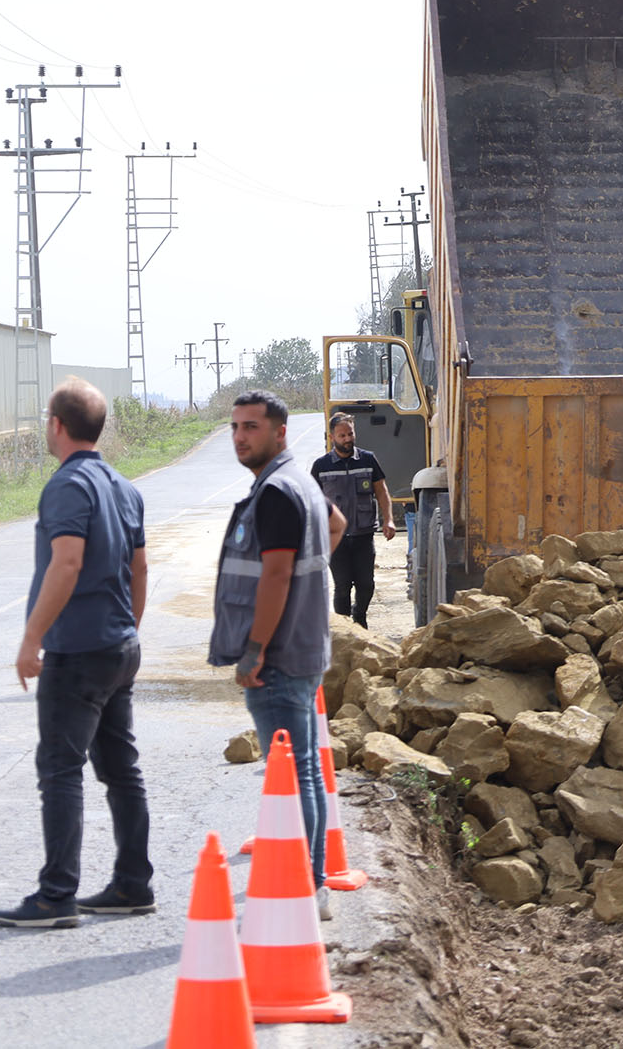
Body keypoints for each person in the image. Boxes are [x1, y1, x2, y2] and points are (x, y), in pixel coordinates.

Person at [0, 378, 152, 929]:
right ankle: (133, 884)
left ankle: (56, 895)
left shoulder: (66, 485)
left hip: (77, 651)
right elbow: (140, 569)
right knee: (121, 770)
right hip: (118, 646)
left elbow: (66, 563)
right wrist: (127, 630)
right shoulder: (123, 487)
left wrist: (31, 638)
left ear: (57, 425)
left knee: (60, 770)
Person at [209, 390, 345, 919]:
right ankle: (313, 884)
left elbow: (277, 573)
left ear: (280, 432)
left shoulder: (275, 492)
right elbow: (335, 525)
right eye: (235, 427)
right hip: (303, 645)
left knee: (291, 776)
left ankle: (306, 888)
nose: (240, 437)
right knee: (303, 771)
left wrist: (255, 650)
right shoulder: (300, 483)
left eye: (252, 427)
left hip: (279, 656)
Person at [310, 411, 395, 628]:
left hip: (363, 534)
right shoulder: (321, 466)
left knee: (366, 584)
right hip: (335, 538)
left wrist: (389, 520)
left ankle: (360, 616)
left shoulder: (367, 460)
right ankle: (345, 628)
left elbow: (382, 491)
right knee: (342, 586)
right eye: (342, 435)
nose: (348, 439)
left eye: (350, 434)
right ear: (332, 437)